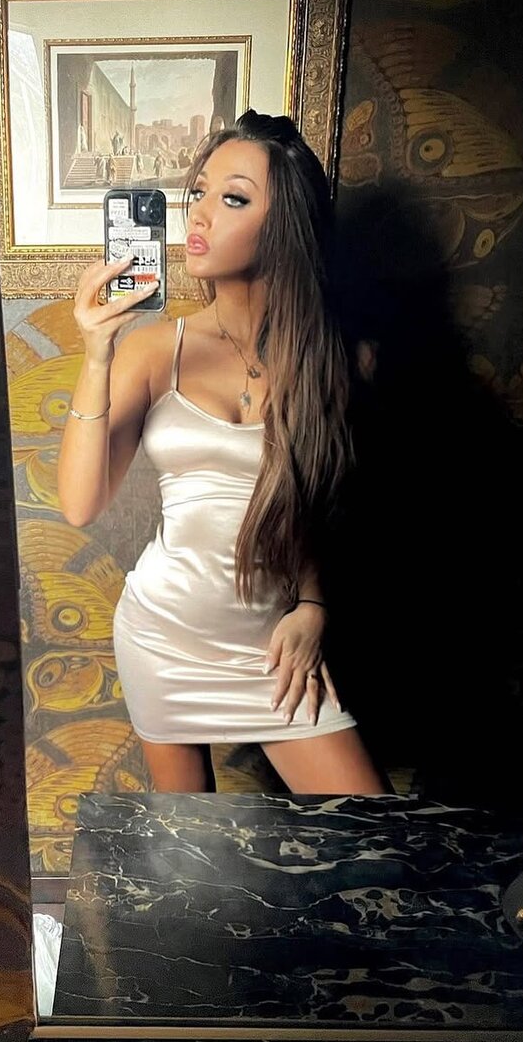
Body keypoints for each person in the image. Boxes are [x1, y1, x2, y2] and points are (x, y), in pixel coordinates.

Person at [57, 110, 391, 795]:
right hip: (163, 635)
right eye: (199, 193)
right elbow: (79, 505)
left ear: (285, 225)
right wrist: (96, 353)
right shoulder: (156, 350)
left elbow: (321, 508)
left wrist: (313, 607)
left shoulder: (342, 360)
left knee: (375, 838)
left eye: (233, 198)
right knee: (191, 848)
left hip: (271, 646)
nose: (201, 215)